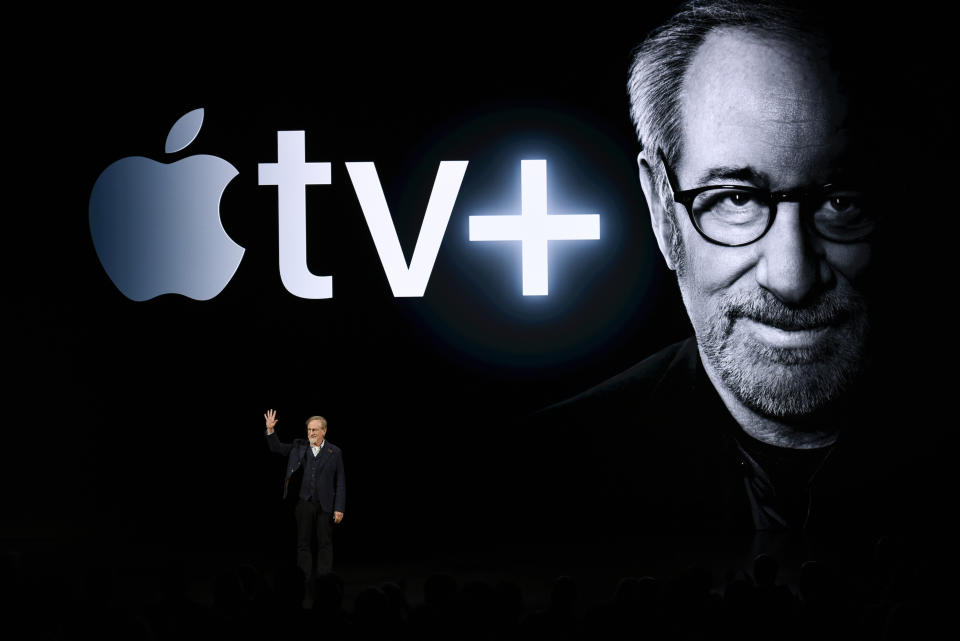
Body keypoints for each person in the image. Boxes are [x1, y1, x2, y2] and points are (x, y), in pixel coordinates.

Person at [515, 0, 939, 559]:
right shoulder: (533, 477)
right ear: (662, 210)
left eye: (840, 201)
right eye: (735, 199)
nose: (790, 278)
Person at [264, 409, 345, 579]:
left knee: (325, 543)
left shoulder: (335, 452)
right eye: (309, 430)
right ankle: (304, 578)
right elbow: (277, 448)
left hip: (325, 504)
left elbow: (340, 482)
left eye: (314, 430)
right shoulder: (299, 447)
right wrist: (270, 430)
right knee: (303, 543)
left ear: (324, 431)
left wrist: (339, 508)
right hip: (304, 502)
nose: (311, 433)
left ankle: (324, 579)